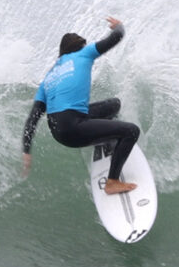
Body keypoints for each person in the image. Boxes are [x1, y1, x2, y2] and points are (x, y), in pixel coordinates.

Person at [22, 17, 140, 194]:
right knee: (132, 131)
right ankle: (112, 182)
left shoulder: (49, 76)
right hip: (74, 128)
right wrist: (119, 27)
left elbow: (33, 117)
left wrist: (26, 150)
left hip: (60, 129)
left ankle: (106, 136)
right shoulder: (84, 53)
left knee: (113, 105)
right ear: (80, 47)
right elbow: (115, 38)